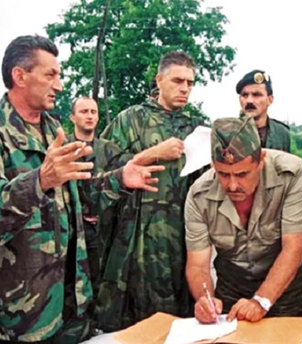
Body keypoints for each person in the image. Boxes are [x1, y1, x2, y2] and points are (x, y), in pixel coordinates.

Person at [0, 35, 164, 344]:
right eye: (50, 74)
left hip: (71, 305)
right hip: (22, 318)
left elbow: (77, 197)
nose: (59, 85)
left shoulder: (53, 129)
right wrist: (40, 181)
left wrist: (119, 179)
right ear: (19, 76)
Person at [96, 51, 205, 331]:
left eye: (190, 83)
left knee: (177, 322)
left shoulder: (194, 129)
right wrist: (151, 154)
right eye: (178, 80)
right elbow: (101, 172)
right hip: (134, 242)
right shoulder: (130, 119)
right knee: (133, 321)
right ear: (159, 80)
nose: (185, 88)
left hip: (181, 242)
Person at [184, 117, 302, 323]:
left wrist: (260, 301)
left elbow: (294, 250)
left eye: (242, 174)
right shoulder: (199, 195)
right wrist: (204, 298)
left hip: (285, 291)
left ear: (260, 160)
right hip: (232, 289)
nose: (233, 185)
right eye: (223, 174)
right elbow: (198, 265)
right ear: (212, 165)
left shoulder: (291, 173)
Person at [68, 96, 125, 306]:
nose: (90, 116)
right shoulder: (64, 149)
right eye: (84, 112)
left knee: (103, 282)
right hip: (74, 231)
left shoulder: (109, 149)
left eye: (93, 112)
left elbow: (127, 177)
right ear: (73, 117)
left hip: (105, 229)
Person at [236, 70, 290, 152]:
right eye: (245, 95)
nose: (249, 100)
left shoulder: (281, 133)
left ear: (270, 99)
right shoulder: (228, 132)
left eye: (256, 95)